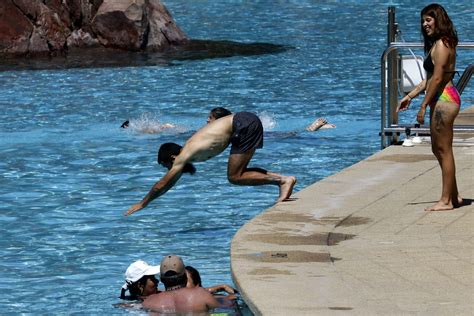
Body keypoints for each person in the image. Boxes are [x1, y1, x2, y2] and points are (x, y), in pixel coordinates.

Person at [124, 111, 296, 216]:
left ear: (172, 158)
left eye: (166, 166)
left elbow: (162, 185)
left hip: (242, 124)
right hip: (245, 121)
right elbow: (169, 185)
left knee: (234, 177)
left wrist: (143, 203)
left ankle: (282, 180)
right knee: (239, 173)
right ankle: (282, 180)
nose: (169, 170)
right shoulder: (190, 149)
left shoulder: (184, 155)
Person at [397, 4, 462, 211]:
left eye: (428, 20)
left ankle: (446, 201)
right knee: (438, 149)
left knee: (444, 149)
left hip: (444, 99)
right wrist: (410, 96)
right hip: (440, 98)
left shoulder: (442, 44)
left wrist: (423, 106)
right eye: (423, 21)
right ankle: (453, 195)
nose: (425, 24)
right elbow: (429, 80)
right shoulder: (439, 43)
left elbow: (437, 77)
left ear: (438, 20)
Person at [142, 255, 222, 313]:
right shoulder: (202, 295)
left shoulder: (149, 302)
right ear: (185, 277)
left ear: (162, 279)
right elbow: (224, 312)